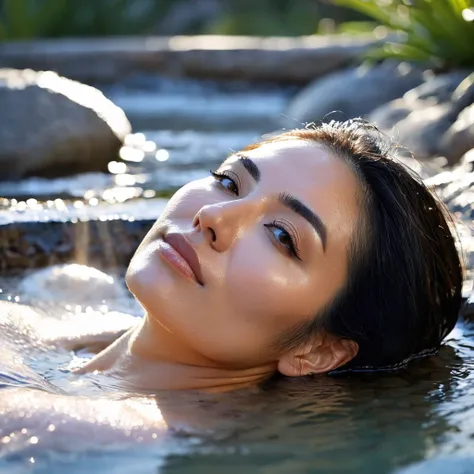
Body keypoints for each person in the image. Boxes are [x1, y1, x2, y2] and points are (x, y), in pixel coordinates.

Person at [70, 118, 463, 392]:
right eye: (229, 182)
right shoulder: (64, 330)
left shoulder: (53, 428)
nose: (212, 216)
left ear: (319, 350)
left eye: (282, 235)